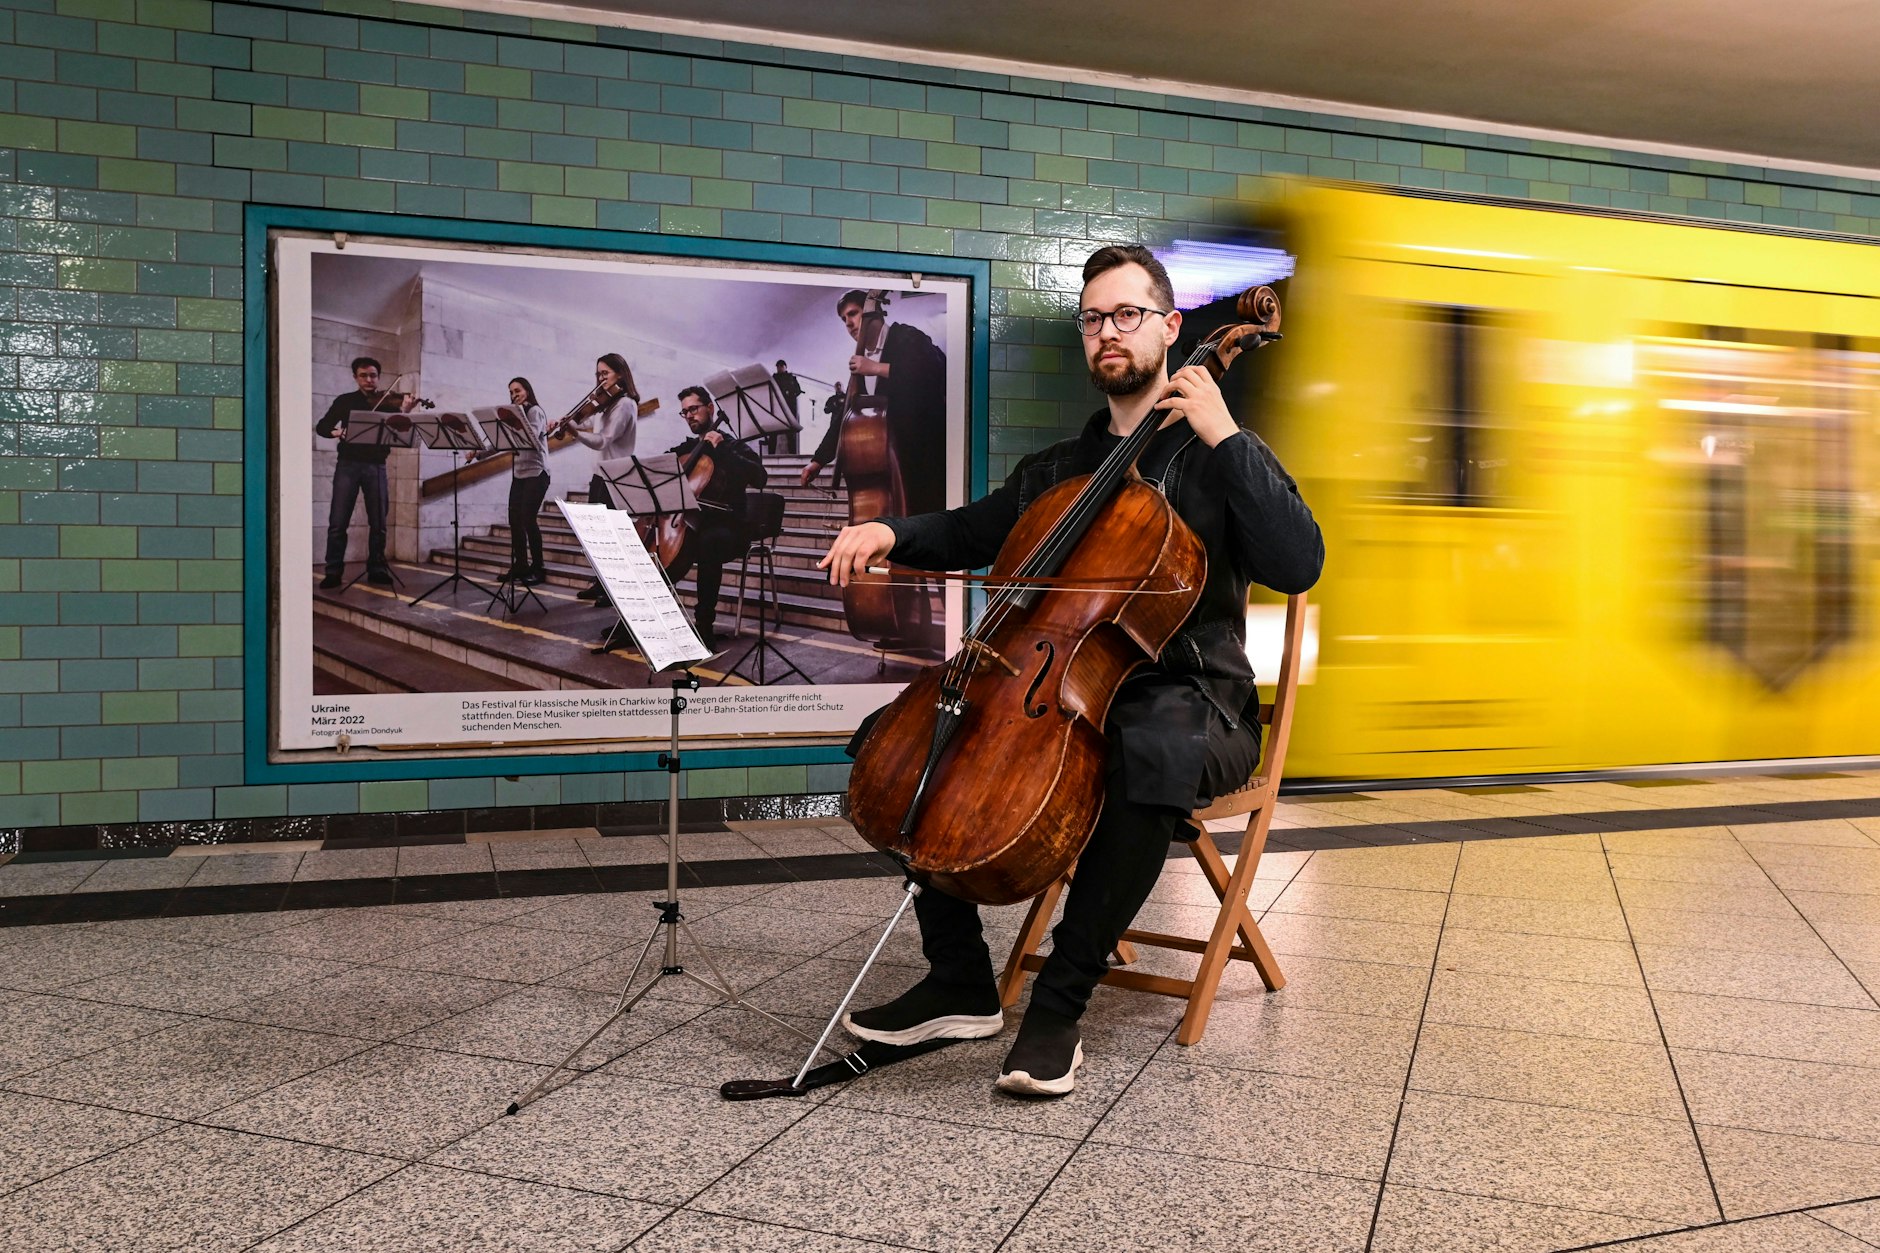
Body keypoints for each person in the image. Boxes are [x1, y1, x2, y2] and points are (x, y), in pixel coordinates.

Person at [817, 245, 1323, 1096]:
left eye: (1127, 315)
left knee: (1147, 746)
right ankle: (960, 981)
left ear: (1170, 328)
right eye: (1093, 319)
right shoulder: (1057, 468)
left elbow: (1298, 559)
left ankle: (1058, 1005)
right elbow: (973, 528)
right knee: (903, 740)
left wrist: (1226, 434)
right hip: (1055, 688)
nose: (1107, 332)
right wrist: (892, 534)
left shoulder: (1215, 453)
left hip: (1194, 697)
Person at [797, 290, 948, 517]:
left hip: (922, 460)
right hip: (887, 462)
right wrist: (818, 461)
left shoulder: (906, 336)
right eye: (843, 319)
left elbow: (935, 370)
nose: (848, 323)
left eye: (853, 314)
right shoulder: (861, 363)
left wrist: (877, 368)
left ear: (873, 312)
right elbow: (846, 417)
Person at [665, 384, 768, 651]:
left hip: (730, 527)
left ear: (710, 409)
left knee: (708, 542)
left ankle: (704, 625)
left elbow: (759, 477)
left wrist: (723, 450)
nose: (689, 415)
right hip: (693, 525)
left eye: (693, 409)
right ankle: (642, 619)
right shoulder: (686, 449)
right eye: (684, 412)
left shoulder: (732, 445)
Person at [314, 356, 417, 589]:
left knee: (379, 522)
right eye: (363, 375)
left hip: (376, 465)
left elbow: (403, 429)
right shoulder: (345, 401)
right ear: (355, 377)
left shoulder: (389, 401)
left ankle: (377, 568)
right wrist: (337, 433)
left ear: (378, 377)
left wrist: (406, 411)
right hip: (348, 465)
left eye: (373, 375)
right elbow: (322, 426)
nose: (369, 380)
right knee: (338, 521)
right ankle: (333, 571)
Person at [567, 352, 640, 605]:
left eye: (605, 373)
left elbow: (603, 440)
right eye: (598, 374)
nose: (600, 379)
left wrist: (574, 433)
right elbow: (585, 417)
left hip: (616, 477)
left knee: (613, 538)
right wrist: (565, 421)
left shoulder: (625, 404)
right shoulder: (606, 403)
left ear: (620, 374)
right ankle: (600, 584)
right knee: (598, 536)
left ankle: (614, 590)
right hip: (600, 475)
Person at [484, 378, 550, 585]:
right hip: (520, 474)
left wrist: (511, 426)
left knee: (528, 520)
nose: (514, 395)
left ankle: (538, 568)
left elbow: (529, 437)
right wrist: (478, 453)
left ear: (527, 391)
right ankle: (520, 565)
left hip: (537, 473)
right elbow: (501, 442)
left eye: (517, 391)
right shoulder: (515, 416)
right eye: (511, 392)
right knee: (514, 521)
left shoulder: (535, 412)